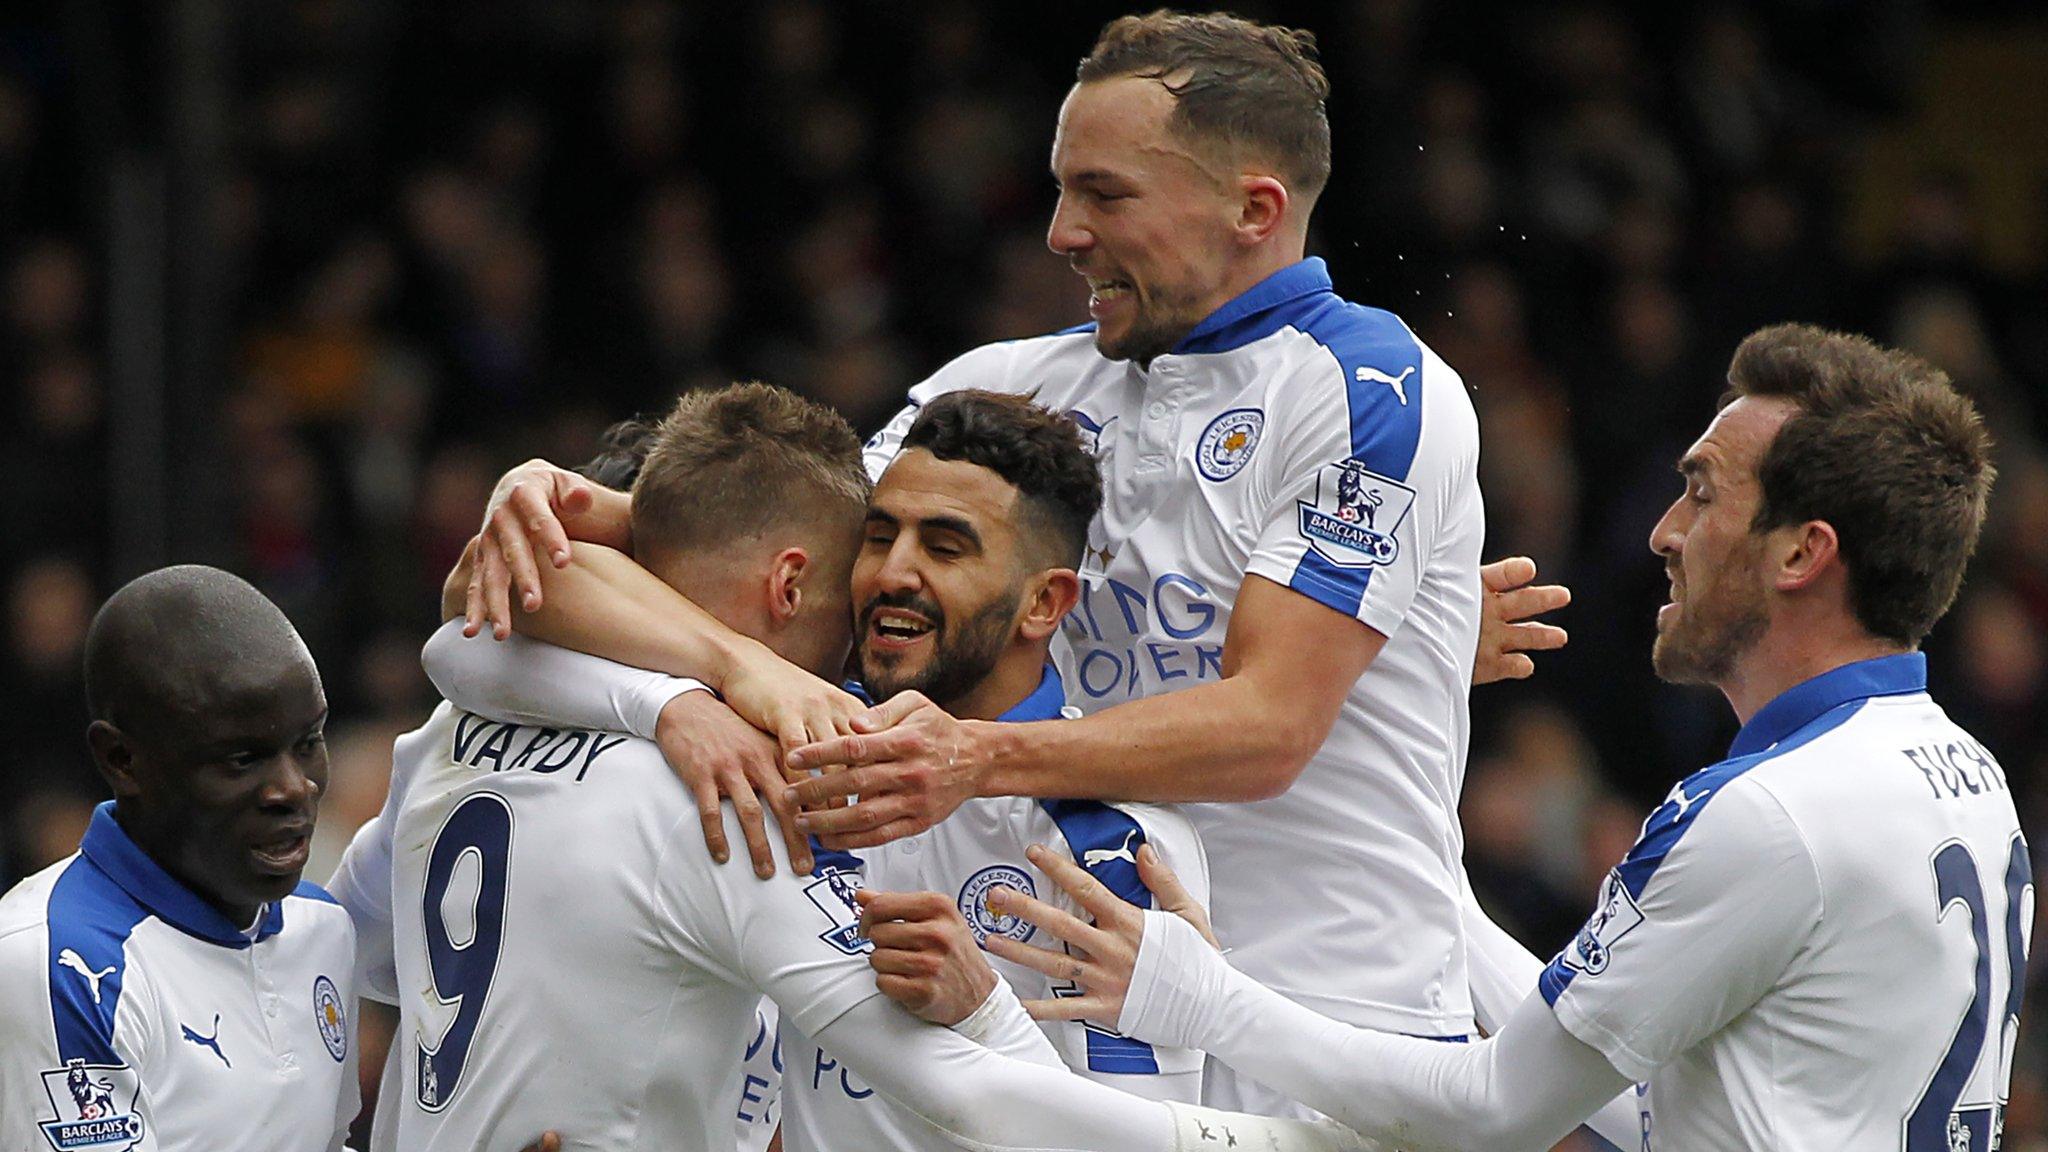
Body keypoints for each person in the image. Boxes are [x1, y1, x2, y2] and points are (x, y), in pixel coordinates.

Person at [457, 12, 1568, 1119]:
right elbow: (698, 568)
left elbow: (1272, 726)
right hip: (1068, 988)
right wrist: (623, 574)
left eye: (1103, 194)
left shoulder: (1369, 390)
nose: (1060, 233)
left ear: (1254, 208)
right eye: (1059, 190)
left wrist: (972, 759)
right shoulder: (1004, 388)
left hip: (1327, 1024)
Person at [967, 324, 2024, 1151]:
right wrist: (1397, 729)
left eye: (1698, 494)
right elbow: (1654, 1097)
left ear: (1801, 553)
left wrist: (1197, 997)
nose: (1662, 532)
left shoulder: (1762, 818)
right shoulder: (1951, 769)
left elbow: (1491, 1112)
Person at [330, 383, 1372, 1152]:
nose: (891, 575)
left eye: (947, 545)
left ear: (1045, 602)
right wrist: (678, 690)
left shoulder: (1109, 855)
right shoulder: (755, 767)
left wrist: (986, 1010)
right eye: (876, 538)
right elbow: (479, 619)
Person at [0, 566, 359, 1152]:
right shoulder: (56, 965)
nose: (294, 789)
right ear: (122, 759)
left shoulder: (325, 927)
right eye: (243, 759)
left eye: (308, 743)